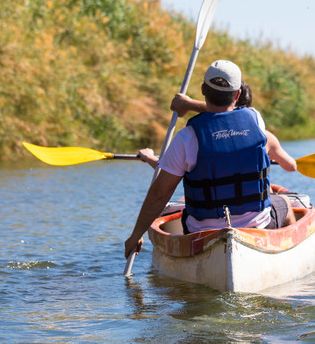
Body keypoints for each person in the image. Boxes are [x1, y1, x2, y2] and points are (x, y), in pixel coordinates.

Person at [125, 60, 295, 259]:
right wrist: (188, 104)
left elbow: (159, 194)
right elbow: (227, 116)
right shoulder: (256, 120)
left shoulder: (185, 138)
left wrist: (136, 234)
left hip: (201, 232)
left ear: (203, 89)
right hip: (258, 225)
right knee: (285, 203)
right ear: (238, 94)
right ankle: (285, 258)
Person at [137, 80, 298, 173]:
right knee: (284, 205)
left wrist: (149, 157)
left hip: (210, 216)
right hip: (253, 214)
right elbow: (291, 166)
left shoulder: (199, 139)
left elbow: (167, 170)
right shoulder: (263, 136)